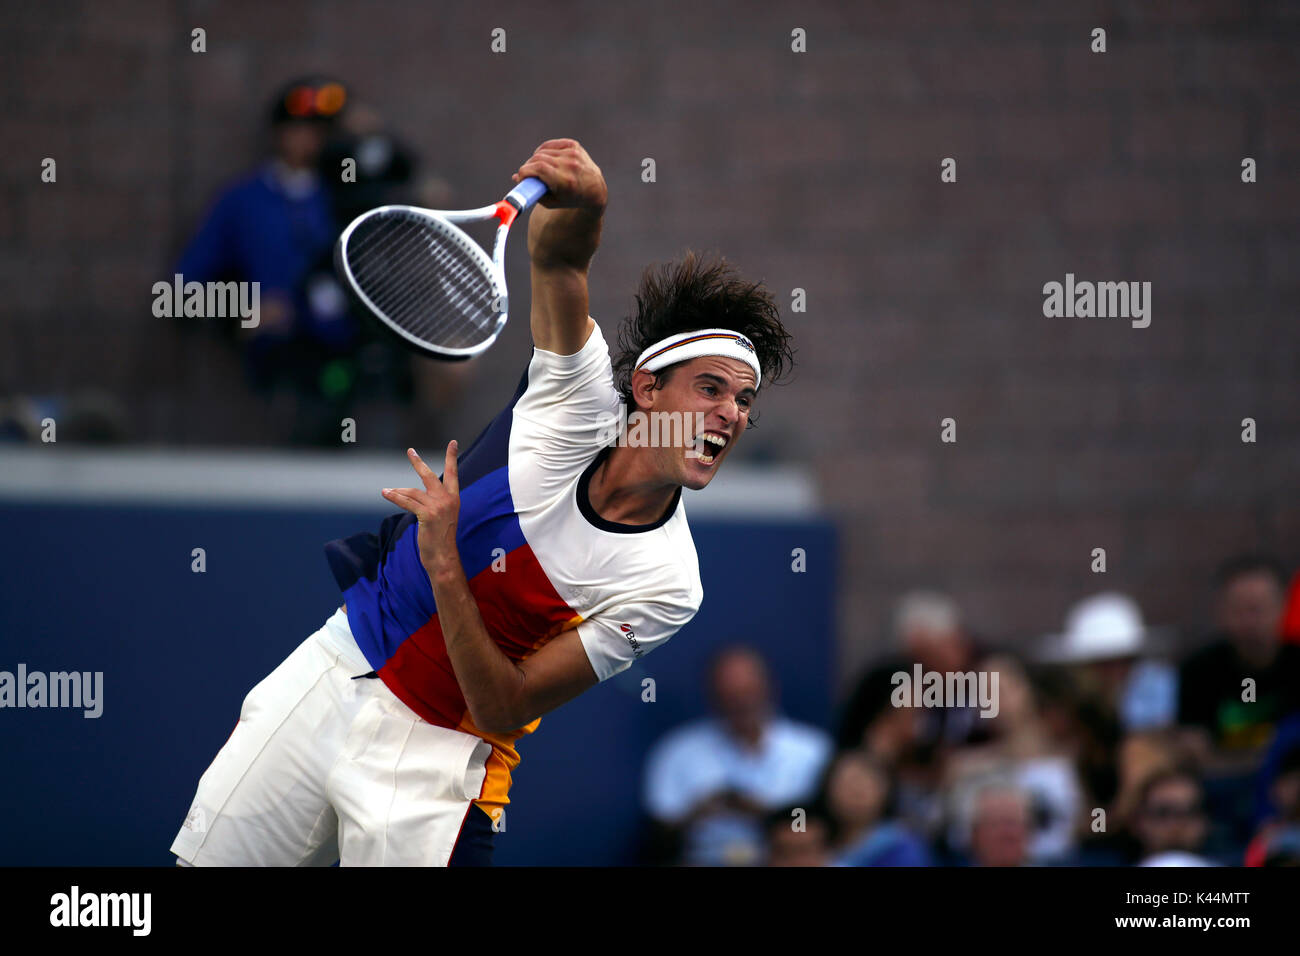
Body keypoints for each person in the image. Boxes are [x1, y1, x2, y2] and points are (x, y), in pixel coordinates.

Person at [170, 138, 796, 866]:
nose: (732, 414)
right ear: (649, 390)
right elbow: (562, 260)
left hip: (444, 757)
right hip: (334, 668)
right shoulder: (576, 396)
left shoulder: (666, 583)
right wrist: (588, 203)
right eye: (711, 389)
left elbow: (505, 705)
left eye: (745, 401)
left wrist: (443, 567)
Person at [642, 646, 832, 866]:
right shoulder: (677, 751)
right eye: (730, 695)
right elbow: (656, 837)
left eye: (749, 692)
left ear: (770, 688)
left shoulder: (813, 750)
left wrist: (763, 813)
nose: (742, 703)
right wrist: (694, 815)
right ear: (712, 696)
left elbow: (833, 829)